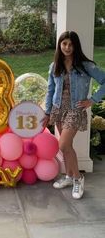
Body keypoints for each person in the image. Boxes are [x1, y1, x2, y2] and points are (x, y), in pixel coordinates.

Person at [42, 31, 105, 199]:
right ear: (60, 45)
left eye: (71, 44)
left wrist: (92, 100)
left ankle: (78, 178)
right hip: (58, 108)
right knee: (67, 147)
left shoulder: (85, 65)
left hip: (75, 109)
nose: (67, 47)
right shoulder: (55, 66)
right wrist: (47, 112)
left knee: (63, 145)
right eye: (64, 44)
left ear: (75, 46)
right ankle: (69, 177)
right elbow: (50, 90)